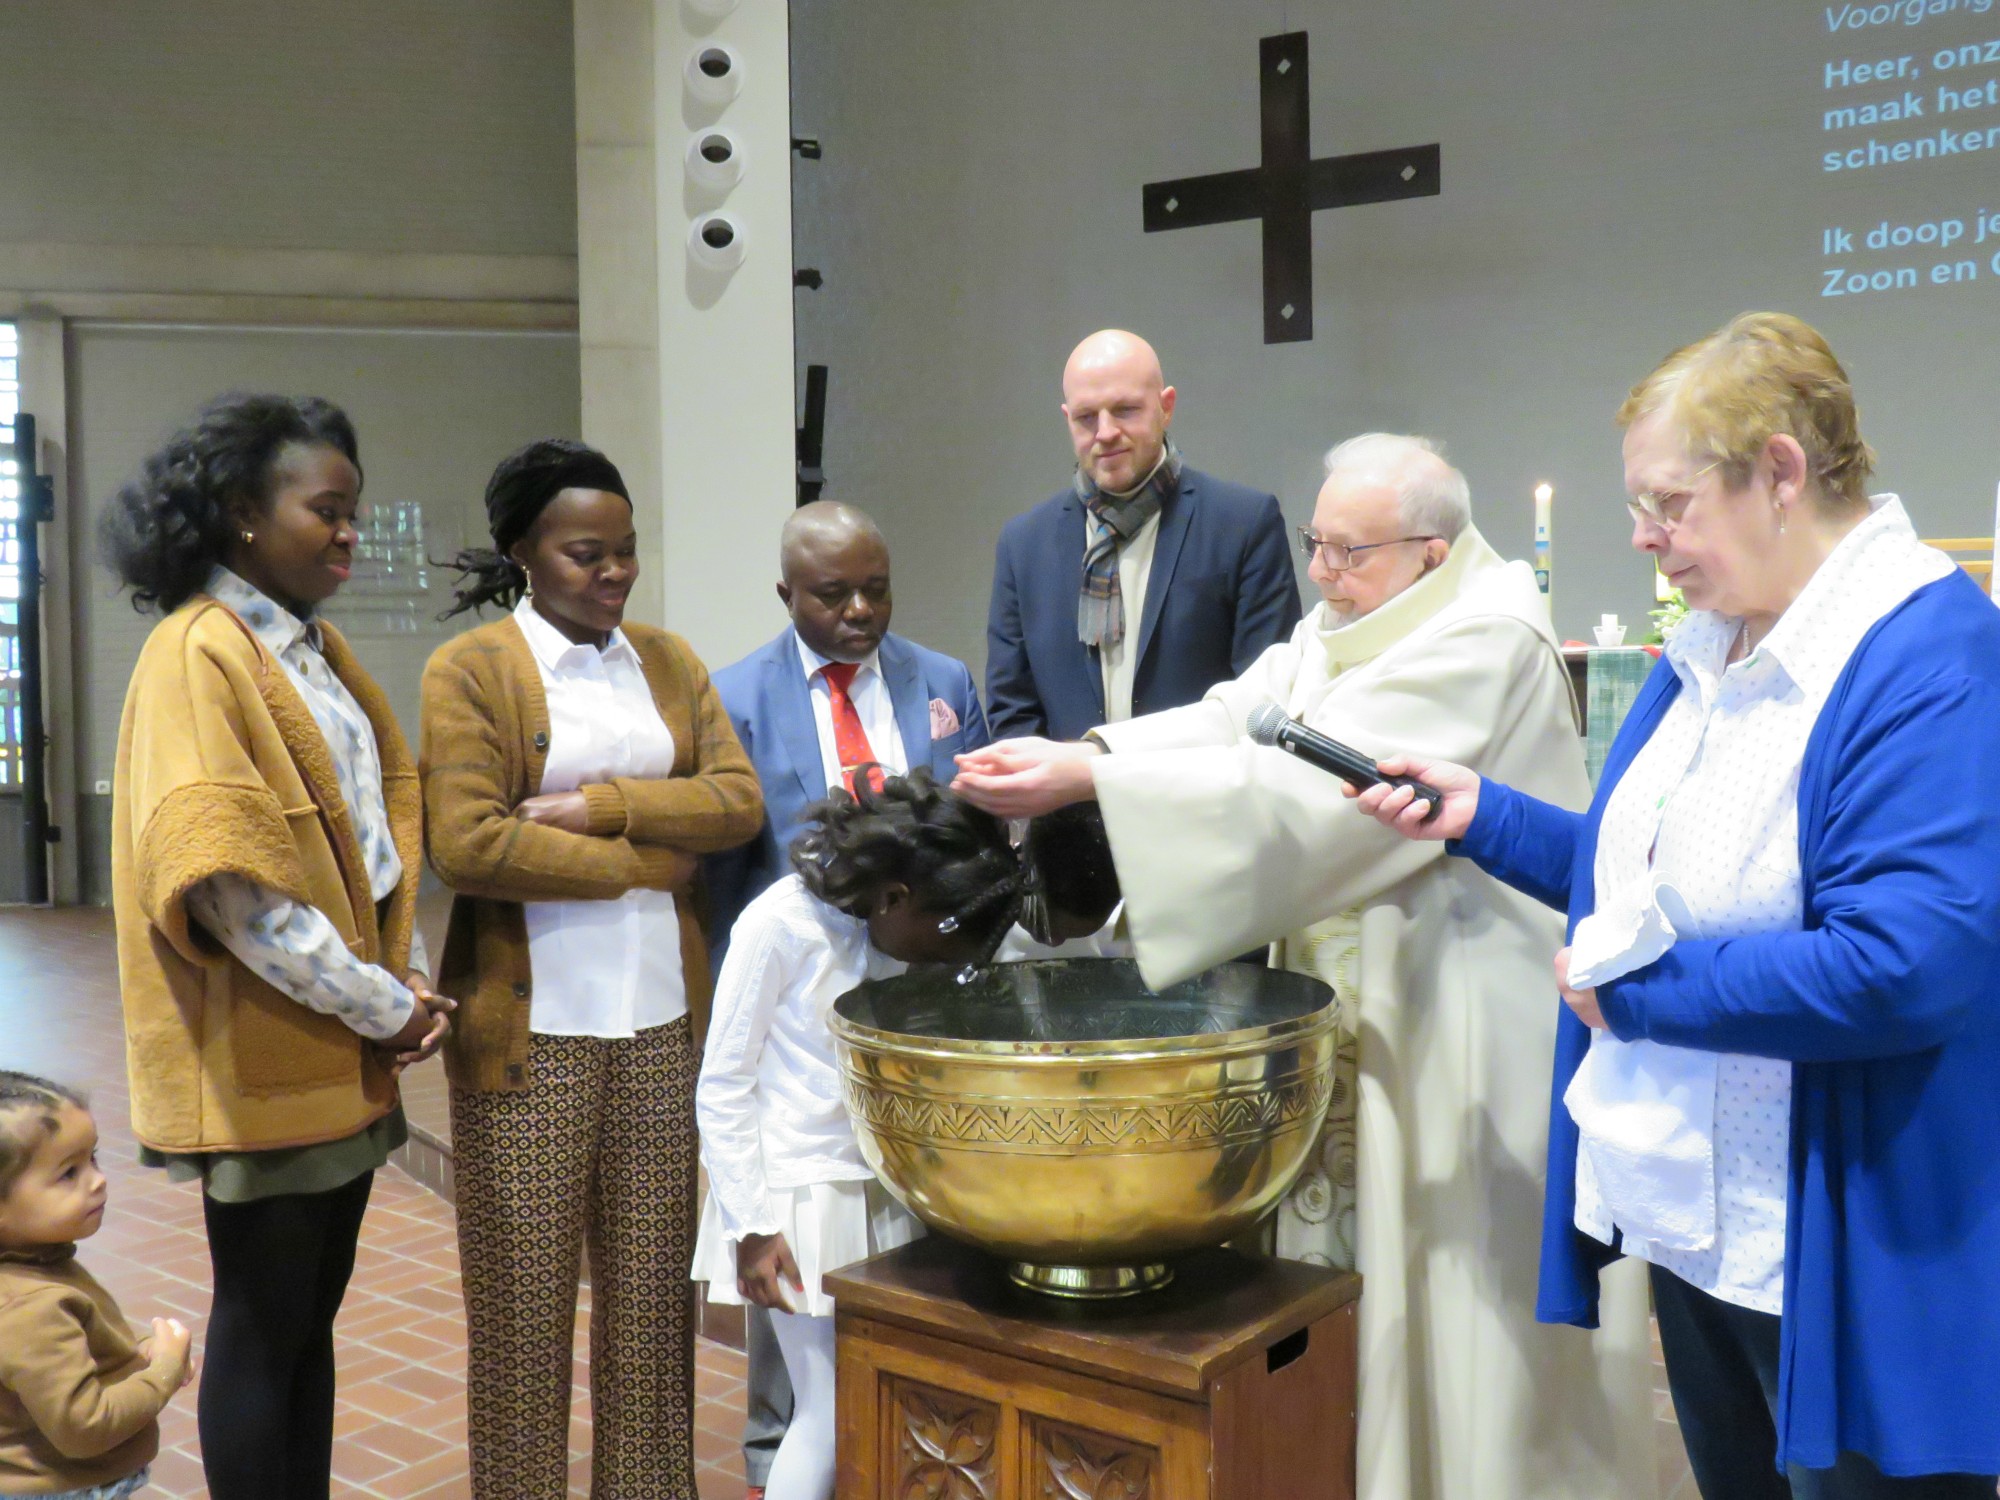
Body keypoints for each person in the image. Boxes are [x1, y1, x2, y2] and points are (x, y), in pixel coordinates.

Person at [1352, 315, 2000, 1498]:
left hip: (1838, 1244)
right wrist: (1484, 816)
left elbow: (1906, 961)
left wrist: (1634, 996)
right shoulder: (1715, 635)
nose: (1645, 542)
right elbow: (1647, 882)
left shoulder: (1927, 654)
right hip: (1702, 1224)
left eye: (1667, 504)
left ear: (1781, 473)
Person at [955, 434, 1655, 1500]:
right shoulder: (1347, 621)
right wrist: (1088, 755)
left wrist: (1089, 790)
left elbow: (1318, 794)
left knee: (1458, 1288)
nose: (1320, 575)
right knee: (1360, 1275)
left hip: (1455, 1013)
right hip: (1366, 1001)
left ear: (1429, 551)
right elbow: (1241, 713)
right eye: (1315, 545)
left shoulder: (1486, 637)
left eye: (1346, 553)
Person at [100, 395, 451, 1500]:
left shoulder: (304, 645)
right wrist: (383, 1006)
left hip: (327, 1040)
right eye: (328, 510)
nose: (349, 533)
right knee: (262, 1322)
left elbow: (362, 849)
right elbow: (231, 894)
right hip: (264, 1051)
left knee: (307, 1324)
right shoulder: (196, 651)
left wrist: (404, 973)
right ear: (246, 514)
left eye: (355, 511)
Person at [420, 438, 763, 1500]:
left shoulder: (666, 660)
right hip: (531, 1041)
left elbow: (737, 800)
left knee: (652, 1313)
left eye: (624, 552)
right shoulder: (472, 670)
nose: (612, 573)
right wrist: (645, 864)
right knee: (522, 1322)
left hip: (662, 1029)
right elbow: (469, 843)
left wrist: (599, 809)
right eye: (584, 554)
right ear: (523, 551)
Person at [702, 500, 987, 1494]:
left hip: (906, 1018)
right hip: (798, 1028)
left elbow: (973, 842)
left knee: (886, 1368)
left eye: (877, 588)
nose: (860, 609)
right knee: (808, 1386)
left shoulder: (941, 682)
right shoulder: (733, 695)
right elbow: (719, 870)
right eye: (833, 594)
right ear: (787, 596)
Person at [690, 770, 1021, 1500]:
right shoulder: (780, 924)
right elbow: (722, 1084)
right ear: (893, 897)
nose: (951, 955)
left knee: (885, 1399)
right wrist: (751, 1223)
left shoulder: (898, 927)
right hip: (804, 1197)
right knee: (829, 1410)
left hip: (884, 1184)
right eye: (945, 936)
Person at [984, 328, 1301, 741]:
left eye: (1125, 410)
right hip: (1064, 804)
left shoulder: (1243, 525)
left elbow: (1264, 702)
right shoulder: (1024, 545)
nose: (1105, 432)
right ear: (1067, 419)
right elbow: (1013, 712)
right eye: (1086, 417)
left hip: (1199, 801)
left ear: (1166, 407)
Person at [0, 1073, 194, 1500]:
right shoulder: (29, 1308)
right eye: (68, 1172)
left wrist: (134, 1352)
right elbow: (84, 1428)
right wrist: (164, 1371)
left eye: (94, 1159)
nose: (98, 1179)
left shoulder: (37, 1262)